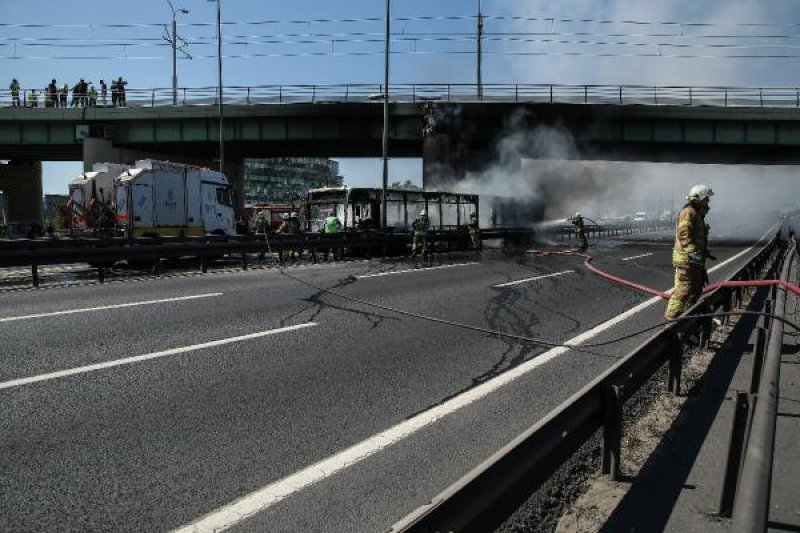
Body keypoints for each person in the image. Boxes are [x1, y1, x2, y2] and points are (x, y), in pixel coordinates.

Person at [664, 184, 714, 321]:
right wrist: (693, 252)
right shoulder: (689, 212)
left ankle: (685, 318)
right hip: (686, 259)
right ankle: (670, 321)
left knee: (696, 290)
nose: (708, 202)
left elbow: (696, 238)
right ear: (698, 199)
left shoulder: (697, 214)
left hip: (694, 259)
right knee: (684, 290)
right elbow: (684, 234)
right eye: (706, 199)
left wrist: (704, 252)